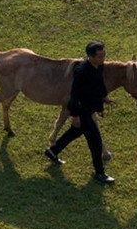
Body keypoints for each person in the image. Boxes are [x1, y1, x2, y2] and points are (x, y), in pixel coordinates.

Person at [44, 40, 117, 183]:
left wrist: (103, 102)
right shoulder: (81, 71)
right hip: (82, 111)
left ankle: (52, 151)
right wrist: (75, 115)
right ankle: (100, 173)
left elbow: (99, 86)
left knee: (74, 132)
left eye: (104, 55)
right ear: (90, 56)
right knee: (95, 142)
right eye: (100, 56)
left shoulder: (98, 67)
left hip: (89, 108)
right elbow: (74, 94)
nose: (103, 59)